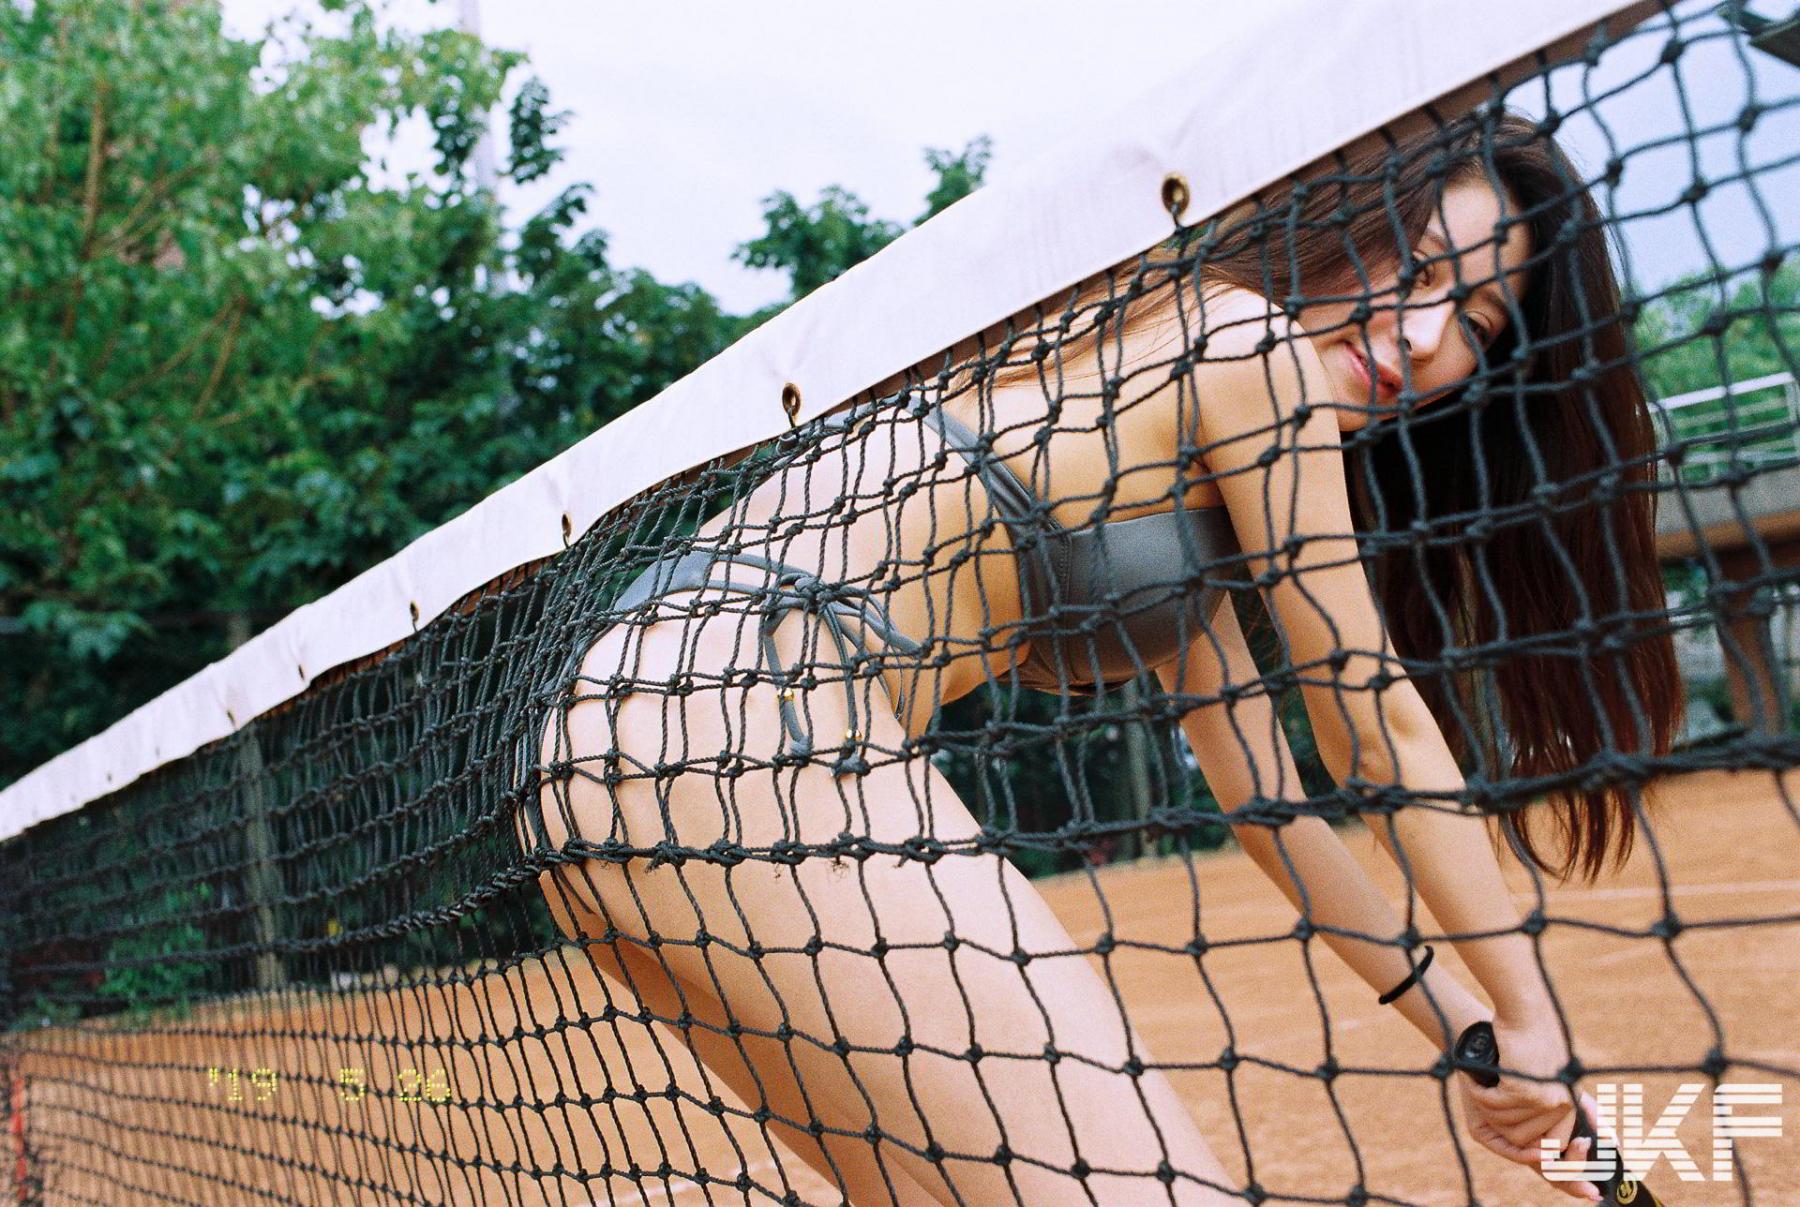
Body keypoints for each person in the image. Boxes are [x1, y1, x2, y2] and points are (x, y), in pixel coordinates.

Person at [521, 108, 1680, 1206]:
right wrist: (1535, 1020)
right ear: (1345, 223)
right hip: (749, 734)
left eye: (1475, 324)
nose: (1423, 336)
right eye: (1418, 267)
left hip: (605, 742)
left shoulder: (1169, 367)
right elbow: (1371, 722)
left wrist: (1468, 1037)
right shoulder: (1244, 342)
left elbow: (1269, 800)